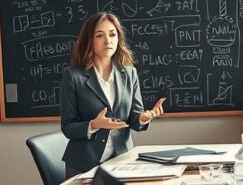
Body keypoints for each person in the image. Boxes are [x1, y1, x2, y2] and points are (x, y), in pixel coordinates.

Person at [60, 11, 166, 176]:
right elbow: (67, 127)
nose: (108, 41)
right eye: (100, 35)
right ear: (90, 40)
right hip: (84, 165)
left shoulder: (129, 73)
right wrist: (94, 124)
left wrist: (144, 117)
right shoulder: (73, 76)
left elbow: (134, 118)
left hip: (122, 161)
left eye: (112, 34)